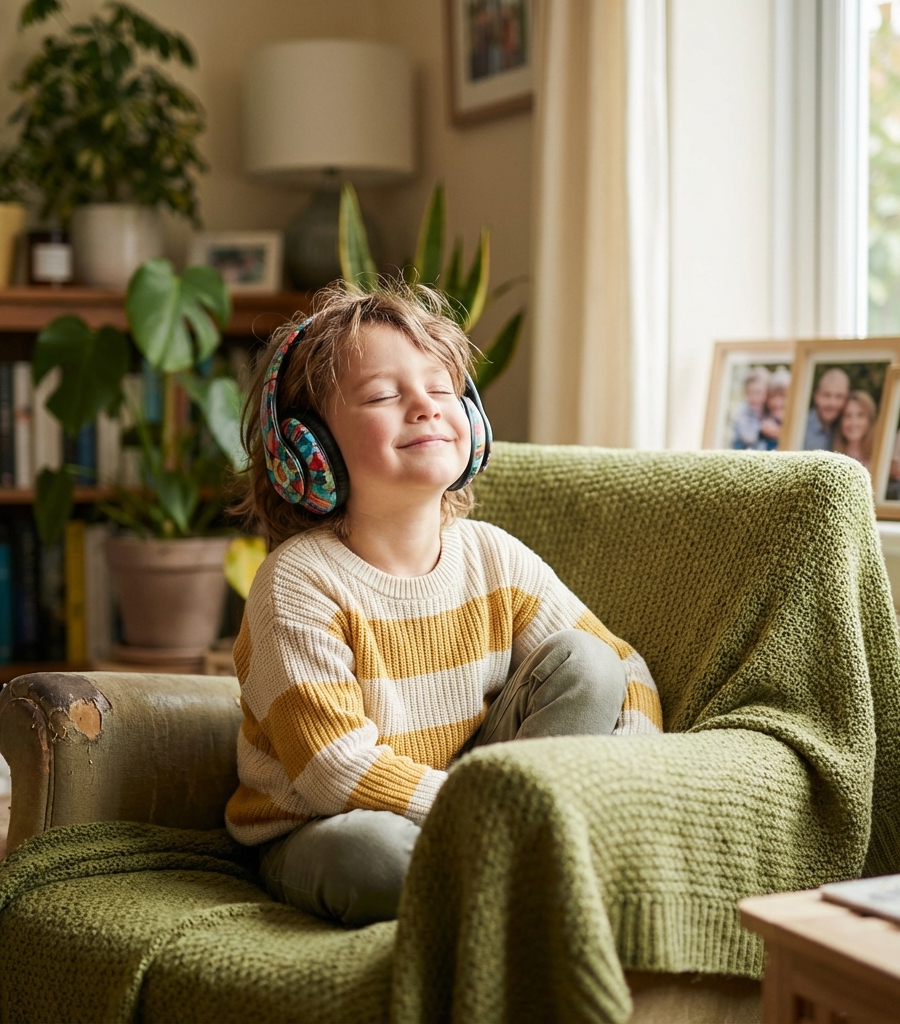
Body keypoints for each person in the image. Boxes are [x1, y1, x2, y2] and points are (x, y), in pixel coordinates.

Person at [225, 282, 663, 927]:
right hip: (324, 827)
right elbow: (332, 771)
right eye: (382, 395)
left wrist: (616, 786)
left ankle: (495, 872)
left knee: (587, 662)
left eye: (443, 389)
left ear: (474, 422)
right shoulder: (297, 583)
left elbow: (623, 667)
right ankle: (517, 872)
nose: (426, 409)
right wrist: (491, 810)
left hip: (476, 808)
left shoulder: (493, 557)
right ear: (306, 447)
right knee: (373, 856)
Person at [803, 367, 850, 450]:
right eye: (827, 395)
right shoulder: (800, 427)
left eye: (839, 396)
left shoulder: (845, 430)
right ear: (816, 396)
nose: (832, 403)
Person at [831, 390, 877, 469]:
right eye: (848, 416)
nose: (854, 422)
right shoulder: (831, 458)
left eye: (860, 415)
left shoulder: (879, 457)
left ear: (869, 420)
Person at [730, 367, 770, 449]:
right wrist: (763, 430)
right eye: (750, 392)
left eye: (758, 392)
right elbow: (748, 437)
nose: (754, 397)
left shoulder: (767, 410)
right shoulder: (741, 411)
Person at [758, 367, 789, 451]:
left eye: (782, 396)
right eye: (773, 396)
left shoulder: (795, 422)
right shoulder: (762, 416)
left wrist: (780, 433)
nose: (777, 402)